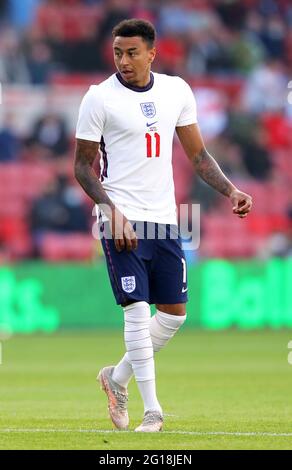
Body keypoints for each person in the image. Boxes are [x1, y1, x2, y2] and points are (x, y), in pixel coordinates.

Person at [74, 18, 252, 433]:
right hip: (120, 218)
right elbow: (82, 167)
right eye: (118, 52)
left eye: (132, 52)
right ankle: (153, 410)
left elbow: (199, 156)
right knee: (136, 312)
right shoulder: (98, 98)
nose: (124, 60)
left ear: (153, 52)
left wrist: (231, 192)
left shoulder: (176, 91)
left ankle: (115, 378)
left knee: (173, 314)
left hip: (165, 219)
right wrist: (110, 210)